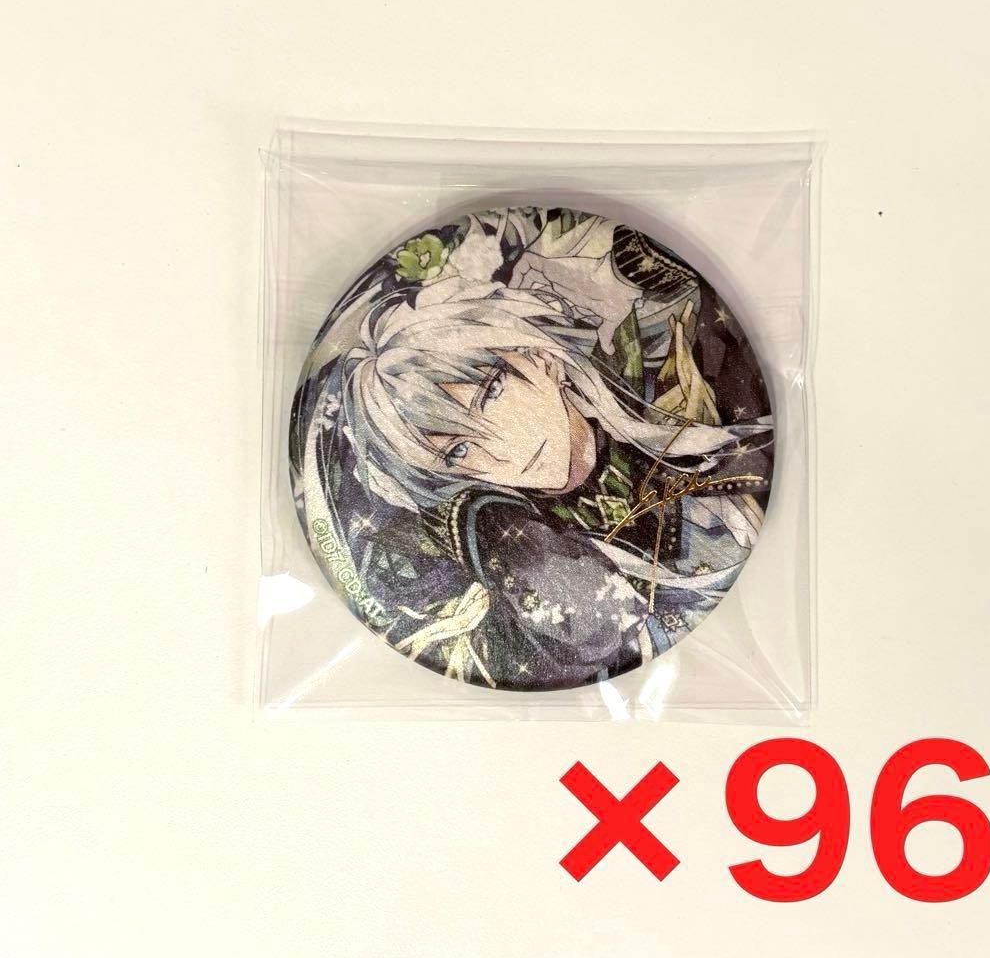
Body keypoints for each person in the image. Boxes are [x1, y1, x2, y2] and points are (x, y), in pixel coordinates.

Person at [291, 208, 773, 690]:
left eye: (491, 393)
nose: (503, 452)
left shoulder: (694, 437)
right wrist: (496, 532)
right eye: (458, 451)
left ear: (542, 358)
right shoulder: (500, 536)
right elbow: (593, 634)